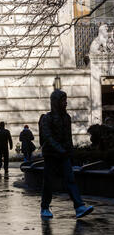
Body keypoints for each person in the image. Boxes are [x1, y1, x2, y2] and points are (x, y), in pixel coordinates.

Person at [39, 89, 94, 219]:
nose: (66, 103)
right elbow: (48, 137)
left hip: (64, 155)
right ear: (56, 102)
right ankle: (45, 207)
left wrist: (70, 153)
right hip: (51, 155)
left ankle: (79, 207)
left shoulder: (66, 118)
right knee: (48, 182)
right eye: (63, 100)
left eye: (66, 100)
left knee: (70, 180)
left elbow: (68, 138)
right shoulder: (47, 118)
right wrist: (60, 149)